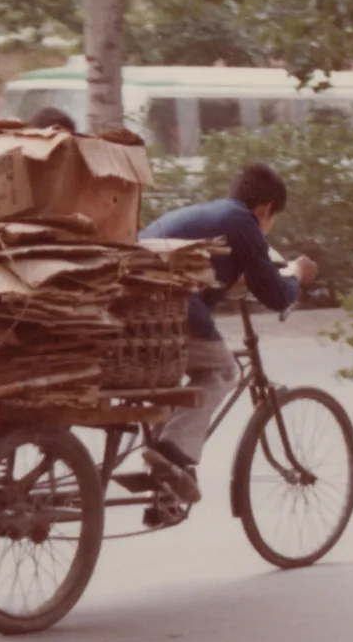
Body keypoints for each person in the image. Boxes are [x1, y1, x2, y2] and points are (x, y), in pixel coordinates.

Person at [136, 162, 317, 503]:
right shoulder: (242, 222)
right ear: (265, 209)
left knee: (176, 379)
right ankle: (172, 453)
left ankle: (166, 487)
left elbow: (212, 275)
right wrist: (295, 273)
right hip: (170, 311)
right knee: (220, 369)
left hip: (134, 313)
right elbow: (276, 296)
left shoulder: (208, 214)